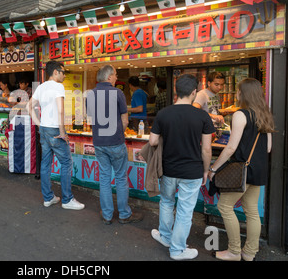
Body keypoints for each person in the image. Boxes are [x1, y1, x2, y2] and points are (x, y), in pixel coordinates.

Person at [149, 74, 215, 260]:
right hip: (192, 171)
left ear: (177, 92)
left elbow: (153, 141)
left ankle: (165, 236)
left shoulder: (163, 114)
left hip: (168, 169)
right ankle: (177, 249)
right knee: (185, 210)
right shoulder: (202, 116)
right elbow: (207, 149)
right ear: (194, 92)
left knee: (167, 203)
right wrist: (205, 170)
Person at [208, 78, 274, 261]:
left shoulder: (240, 114)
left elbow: (231, 148)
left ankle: (234, 251)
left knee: (224, 206)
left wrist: (213, 168)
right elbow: (268, 148)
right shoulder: (265, 114)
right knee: (252, 210)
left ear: (243, 93)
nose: (236, 94)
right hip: (259, 169)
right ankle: (249, 253)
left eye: (238, 91)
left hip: (243, 169)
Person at [86, 65, 144, 224]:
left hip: (98, 143)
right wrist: (119, 133)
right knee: (120, 177)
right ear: (109, 76)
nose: (116, 77)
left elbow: (90, 120)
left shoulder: (90, 95)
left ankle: (107, 215)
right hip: (116, 142)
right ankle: (124, 215)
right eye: (116, 75)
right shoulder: (117, 93)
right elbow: (125, 120)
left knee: (104, 178)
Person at [27, 60, 85, 210]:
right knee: (66, 163)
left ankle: (48, 198)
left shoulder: (41, 87)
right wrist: (62, 131)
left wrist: (39, 124)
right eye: (63, 72)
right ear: (55, 72)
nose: (65, 75)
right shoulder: (58, 86)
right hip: (54, 129)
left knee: (45, 163)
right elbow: (60, 110)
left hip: (45, 129)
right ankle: (67, 200)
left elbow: (28, 106)